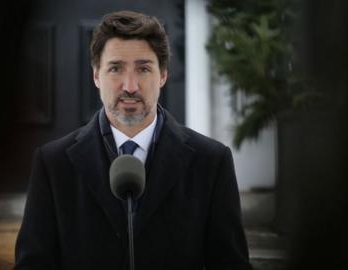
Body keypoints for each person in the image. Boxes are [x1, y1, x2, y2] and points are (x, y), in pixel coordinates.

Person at [15, 10, 251, 270]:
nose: (130, 86)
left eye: (143, 69)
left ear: (162, 75)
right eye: (115, 68)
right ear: (96, 75)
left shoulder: (211, 162)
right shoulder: (53, 164)